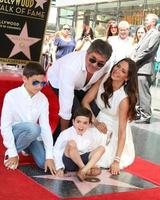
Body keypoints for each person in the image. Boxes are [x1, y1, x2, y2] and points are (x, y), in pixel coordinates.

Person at [47, 39, 113, 141]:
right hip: (58, 82)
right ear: (87, 53)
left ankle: (80, 143)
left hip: (83, 86)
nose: (95, 65)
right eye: (92, 59)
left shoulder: (107, 65)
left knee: (94, 109)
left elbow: (99, 81)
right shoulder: (70, 67)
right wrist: (65, 138)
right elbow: (66, 108)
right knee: (78, 112)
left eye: (100, 64)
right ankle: (57, 144)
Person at [82, 58, 138, 175]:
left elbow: (122, 131)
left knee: (100, 157)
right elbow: (85, 101)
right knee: (79, 143)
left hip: (114, 129)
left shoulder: (124, 99)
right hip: (98, 120)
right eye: (117, 66)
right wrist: (96, 122)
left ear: (127, 78)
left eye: (123, 71)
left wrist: (117, 161)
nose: (117, 71)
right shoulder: (105, 78)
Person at [1, 62, 56, 175]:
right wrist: (12, 152)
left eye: (43, 83)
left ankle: (25, 148)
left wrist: (50, 156)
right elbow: (5, 125)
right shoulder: (12, 95)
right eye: (35, 82)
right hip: (15, 132)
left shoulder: (43, 99)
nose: (39, 86)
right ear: (24, 79)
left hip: (32, 135)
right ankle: (12, 152)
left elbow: (45, 127)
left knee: (43, 163)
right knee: (34, 128)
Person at [53, 107, 105, 181]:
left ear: (89, 124)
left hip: (81, 159)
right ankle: (84, 170)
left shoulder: (90, 134)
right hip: (69, 161)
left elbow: (90, 150)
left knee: (101, 148)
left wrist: (93, 165)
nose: (81, 125)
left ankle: (83, 171)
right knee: (71, 143)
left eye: (85, 123)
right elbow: (56, 150)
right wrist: (59, 168)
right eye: (78, 122)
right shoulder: (65, 133)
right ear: (73, 122)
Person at [132, 13, 160, 123]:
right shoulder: (146, 33)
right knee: (138, 93)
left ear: (154, 22)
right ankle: (139, 113)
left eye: (147, 20)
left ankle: (146, 115)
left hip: (145, 69)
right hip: (139, 68)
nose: (145, 21)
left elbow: (149, 50)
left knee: (143, 93)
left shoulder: (156, 33)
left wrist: (134, 60)